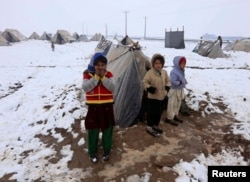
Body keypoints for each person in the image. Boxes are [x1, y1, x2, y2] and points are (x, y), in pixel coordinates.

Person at [82, 52, 116, 163]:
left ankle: (107, 151)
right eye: (98, 65)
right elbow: (86, 88)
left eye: (102, 65)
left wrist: (103, 78)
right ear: (93, 64)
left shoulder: (109, 74)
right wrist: (96, 77)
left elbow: (113, 87)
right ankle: (92, 153)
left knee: (107, 130)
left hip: (107, 107)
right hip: (93, 108)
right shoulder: (87, 74)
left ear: (105, 65)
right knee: (93, 131)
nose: (100, 67)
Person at [142, 53, 171, 137]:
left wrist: (167, 87)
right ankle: (149, 126)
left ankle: (155, 124)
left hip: (161, 97)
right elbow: (144, 82)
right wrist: (149, 88)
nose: (158, 65)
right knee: (151, 112)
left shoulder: (164, 72)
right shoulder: (150, 73)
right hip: (152, 97)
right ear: (153, 64)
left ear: (162, 64)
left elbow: (168, 81)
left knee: (159, 112)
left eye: (160, 63)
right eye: (156, 63)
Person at [165, 56, 188, 126]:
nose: (184, 65)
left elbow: (182, 78)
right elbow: (172, 81)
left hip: (179, 90)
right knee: (172, 104)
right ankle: (169, 118)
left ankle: (175, 115)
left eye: (184, 63)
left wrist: (184, 82)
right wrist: (179, 83)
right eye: (182, 63)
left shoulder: (181, 70)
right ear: (178, 63)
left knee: (178, 104)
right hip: (174, 90)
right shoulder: (174, 71)